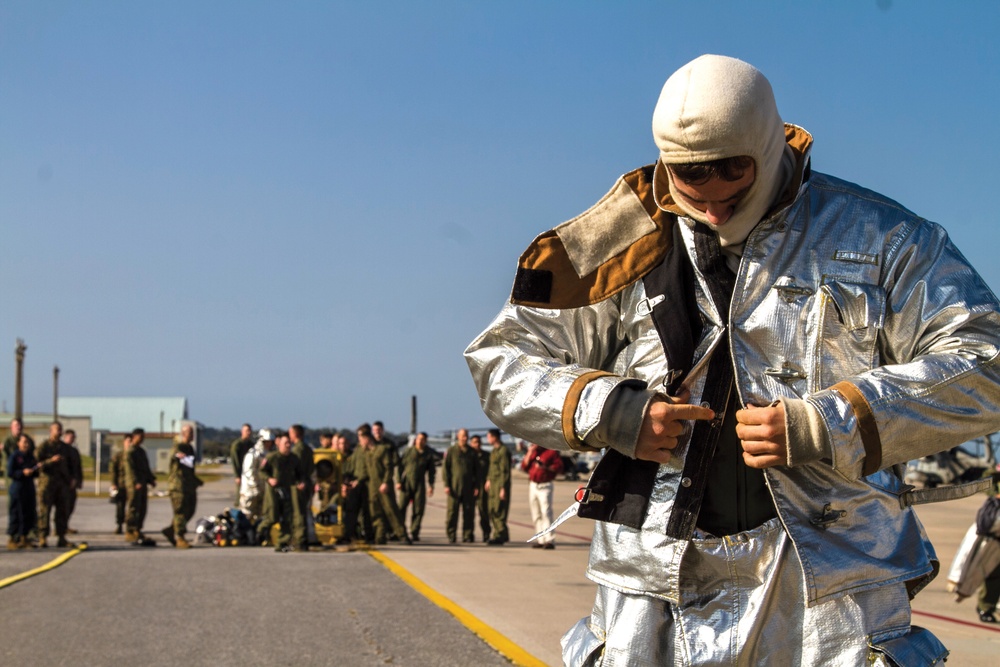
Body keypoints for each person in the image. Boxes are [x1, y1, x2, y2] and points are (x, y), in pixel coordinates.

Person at [465, 54, 1000, 665]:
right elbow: (501, 357)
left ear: (769, 146)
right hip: (652, 587)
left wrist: (828, 422)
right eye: (692, 177)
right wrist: (610, 409)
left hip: (835, 587)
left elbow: (987, 359)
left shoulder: (882, 238)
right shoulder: (613, 245)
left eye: (732, 173)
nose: (715, 203)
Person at [361, 423, 411, 545]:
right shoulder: (367, 453)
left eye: (363, 440)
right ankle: (380, 536)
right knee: (376, 512)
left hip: (383, 483)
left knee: (391, 510)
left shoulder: (382, 449)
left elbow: (389, 467)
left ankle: (402, 535)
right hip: (372, 485)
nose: (362, 442)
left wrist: (386, 482)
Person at [260, 430, 304, 552]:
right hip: (273, 492)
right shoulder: (272, 457)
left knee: (287, 518)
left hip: (288, 490)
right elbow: (262, 471)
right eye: (285, 443)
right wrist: (269, 479)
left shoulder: (294, 459)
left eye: (289, 443)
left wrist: (300, 482)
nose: (288, 445)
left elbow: (300, 474)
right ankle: (259, 531)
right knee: (272, 517)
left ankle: (282, 542)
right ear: (279, 444)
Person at [35, 422, 76, 549]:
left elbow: (72, 464)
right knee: (44, 511)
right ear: (50, 431)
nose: (59, 432)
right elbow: (37, 463)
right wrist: (50, 461)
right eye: (57, 429)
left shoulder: (65, 448)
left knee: (62, 511)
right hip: (47, 483)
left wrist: (73, 478)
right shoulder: (44, 446)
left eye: (61, 430)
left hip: (62, 483)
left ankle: (61, 536)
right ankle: (43, 537)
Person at [162, 424, 202, 549]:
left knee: (190, 510)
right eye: (190, 433)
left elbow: (190, 467)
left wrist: (196, 480)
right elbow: (183, 460)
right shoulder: (178, 447)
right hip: (178, 486)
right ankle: (180, 537)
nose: (193, 435)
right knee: (180, 512)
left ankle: (170, 530)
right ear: (184, 434)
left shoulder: (190, 448)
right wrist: (186, 458)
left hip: (189, 485)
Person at [520, 443, 563, 550]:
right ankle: (540, 538)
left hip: (545, 485)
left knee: (546, 512)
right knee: (536, 513)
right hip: (533, 485)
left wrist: (545, 467)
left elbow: (559, 467)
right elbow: (524, 466)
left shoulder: (551, 452)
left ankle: (549, 540)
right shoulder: (533, 453)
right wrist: (529, 452)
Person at [397, 431, 436, 541]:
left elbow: (431, 471)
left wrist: (431, 485)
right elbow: (400, 467)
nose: (420, 441)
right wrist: (399, 481)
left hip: (420, 484)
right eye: (419, 439)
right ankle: (400, 531)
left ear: (425, 441)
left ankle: (415, 531)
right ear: (416, 440)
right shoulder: (409, 452)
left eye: (423, 439)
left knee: (418, 510)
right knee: (401, 508)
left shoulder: (428, 454)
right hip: (407, 483)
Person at [442, 428, 479, 544]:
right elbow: (445, 469)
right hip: (454, 487)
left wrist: (477, 486)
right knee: (452, 513)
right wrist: (447, 485)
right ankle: (451, 535)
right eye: (463, 436)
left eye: (466, 436)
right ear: (458, 436)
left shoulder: (472, 452)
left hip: (468, 488)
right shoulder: (452, 451)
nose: (465, 438)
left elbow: (476, 471)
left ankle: (467, 535)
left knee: (469, 513)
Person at [125, 428, 157, 546]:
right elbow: (130, 469)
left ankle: (138, 529)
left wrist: (151, 479)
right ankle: (130, 530)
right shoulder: (130, 451)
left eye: (143, 437)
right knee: (133, 507)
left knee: (142, 508)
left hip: (143, 483)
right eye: (140, 437)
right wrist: (135, 482)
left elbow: (146, 468)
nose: (142, 439)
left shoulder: (141, 451)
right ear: (134, 437)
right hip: (134, 485)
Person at [7, 434, 39, 549]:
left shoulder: (30, 456)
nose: (26, 444)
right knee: (16, 513)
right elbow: (10, 473)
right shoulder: (15, 456)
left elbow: (36, 472)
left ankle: (24, 538)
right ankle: (12, 538)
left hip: (28, 488)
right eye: (24, 442)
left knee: (28, 513)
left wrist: (34, 470)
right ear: (18, 443)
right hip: (18, 488)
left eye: (27, 442)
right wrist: (22, 472)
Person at [288, 424, 315, 549]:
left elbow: (296, 468)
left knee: (299, 513)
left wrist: (298, 480)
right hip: (307, 482)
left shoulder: (297, 450)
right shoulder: (308, 449)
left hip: (299, 484)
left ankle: (300, 539)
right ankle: (303, 538)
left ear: (295, 434)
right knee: (304, 511)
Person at [484, 428, 511, 546]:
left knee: (499, 510)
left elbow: (505, 471)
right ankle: (502, 534)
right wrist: (488, 480)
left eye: (489, 437)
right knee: (492, 509)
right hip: (493, 484)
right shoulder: (494, 451)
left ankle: (499, 536)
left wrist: (503, 488)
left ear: (495, 437)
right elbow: (492, 468)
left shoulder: (503, 451)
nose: (487, 439)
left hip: (500, 484)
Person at [469, 434, 491, 542]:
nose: (477, 444)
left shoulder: (486, 456)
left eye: (478, 442)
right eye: (474, 442)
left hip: (482, 487)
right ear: (471, 443)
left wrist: (489, 479)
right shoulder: (467, 455)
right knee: (469, 513)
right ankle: (468, 535)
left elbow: (491, 469)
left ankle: (486, 534)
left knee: (484, 512)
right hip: (469, 487)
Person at [61, 429, 84, 534]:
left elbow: (78, 467)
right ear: (65, 437)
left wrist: (79, 480)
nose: (72, 439)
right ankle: (60, 527)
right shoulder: (61, 449)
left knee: (71, 505)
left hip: (73, 483)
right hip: (63, 482)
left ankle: (65, 525)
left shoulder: (74, 451)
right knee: (62, 506)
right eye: (70, 437)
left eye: (73, 437)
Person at [109, 434, 130, 534]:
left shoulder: (135, 454)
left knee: (133, 506)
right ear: (124, 442)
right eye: (128, 441)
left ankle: (131, 526)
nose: (129, 443)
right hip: (121, 484)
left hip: (132, 485)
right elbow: (113, 470)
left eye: (131, 441)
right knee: (120, 506)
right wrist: (113, 483)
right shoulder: (119, 456)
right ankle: (119, 524)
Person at [229, 424, 254, 504]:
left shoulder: (252, 445)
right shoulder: (237, 445)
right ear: (242, 431)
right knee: (241, 493)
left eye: (250, 431)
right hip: (241, 473)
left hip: (251, 473)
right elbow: (235, 461)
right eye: (247, 431)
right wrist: (237, 475)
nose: (248, 433)